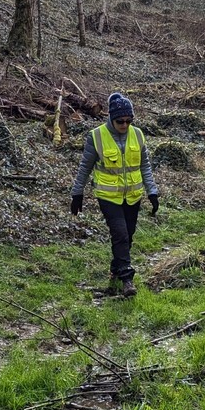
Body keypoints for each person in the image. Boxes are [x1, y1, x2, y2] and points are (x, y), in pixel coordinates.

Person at [70, 92, 159, 297]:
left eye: (129, 121)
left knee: (128, 235)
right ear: (111, 118)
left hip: (133, 195)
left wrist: (152, 191)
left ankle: (116, 268)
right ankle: (127, 279)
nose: (125, 125)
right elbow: (85, 167)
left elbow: (145, 166)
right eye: (120, 121)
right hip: (108, 196)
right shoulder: (96, 136)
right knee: (120, 233)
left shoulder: (138, 134)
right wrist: (77, 193)